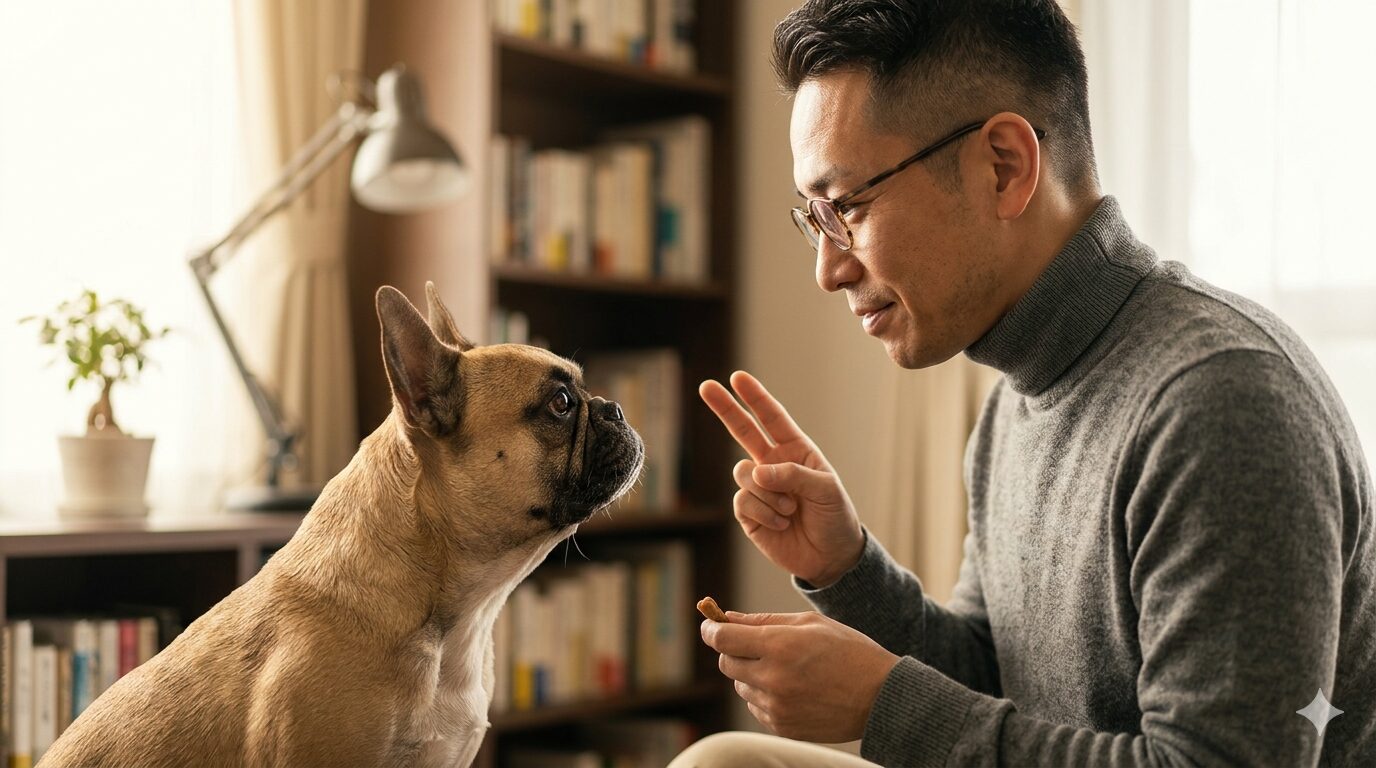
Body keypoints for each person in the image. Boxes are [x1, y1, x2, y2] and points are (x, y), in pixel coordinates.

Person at [667, 1, 1376, 766]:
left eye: (848, 207)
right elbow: (994, 680)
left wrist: (885, 705)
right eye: (816, 219)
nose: (828, 268)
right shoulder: (1015, 399)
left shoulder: (1223, 400)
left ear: (1004, 166)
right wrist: (846, 568)